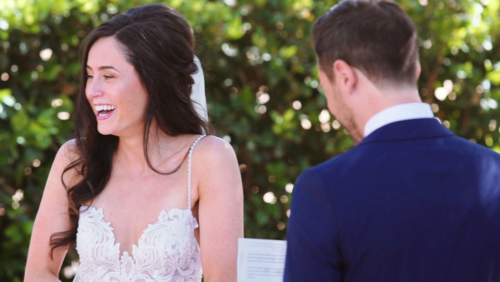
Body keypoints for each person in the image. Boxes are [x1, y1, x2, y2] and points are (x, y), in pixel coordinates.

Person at [25, 4, 243, 281]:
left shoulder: (209, 159)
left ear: (153, 81)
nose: (92, 91)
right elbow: (38, 273)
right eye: (90, 75)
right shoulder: (74, 158)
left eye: (109, 76)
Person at [284, 0, 500, 281]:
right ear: (417, 68)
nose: (330, 105)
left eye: (326, 88)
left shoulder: (324, 190)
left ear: (344, 76)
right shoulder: (494, 171)